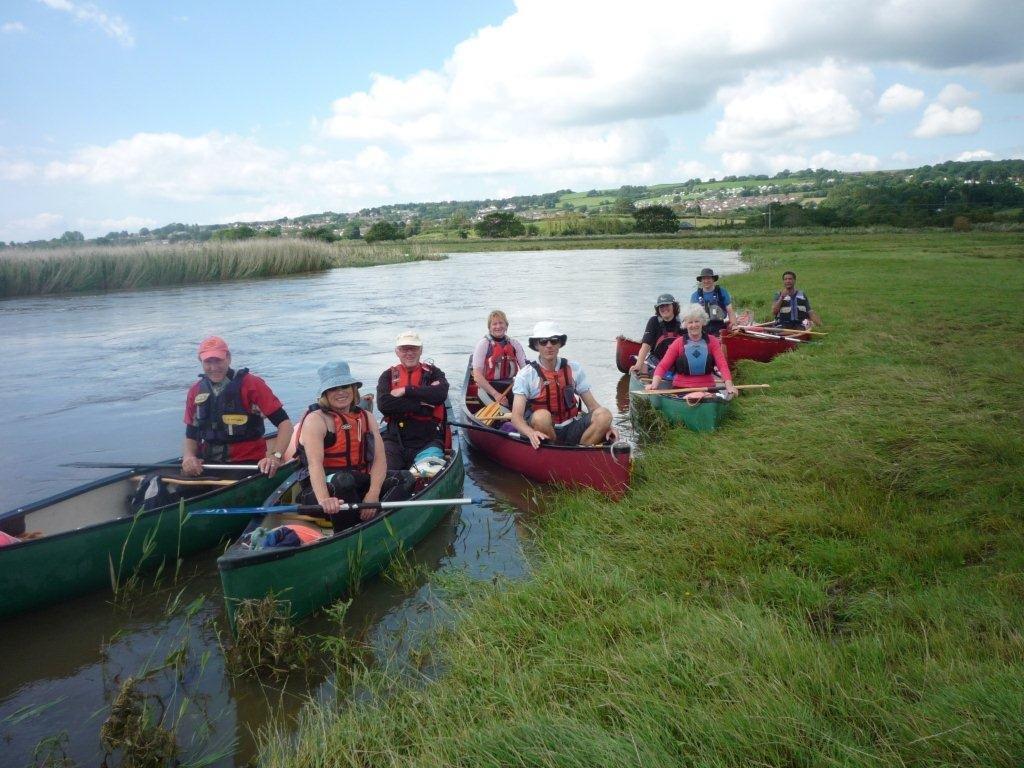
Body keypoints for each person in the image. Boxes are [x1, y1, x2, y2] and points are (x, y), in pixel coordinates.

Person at [291, 361, 412, 532]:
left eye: (345, 386)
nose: (340, 392)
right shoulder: (316, 420)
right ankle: (348, 532)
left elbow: (379, 459)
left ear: (353, 389)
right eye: (333, 388)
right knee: (343, 481)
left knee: (405, 478)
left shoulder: (366, 417)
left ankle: (373, 521)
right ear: (325, 394)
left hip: (357, 482)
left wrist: (373, 494)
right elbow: (314, 465)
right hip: (322, 491)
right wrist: (325, 499)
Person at [181, 336, 292, 477]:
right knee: (178, 485)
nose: (214, 367)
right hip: (208, 463)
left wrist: (275, 456)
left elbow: (285, 424)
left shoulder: (251, 384)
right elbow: (191, 434)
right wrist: (189, 457)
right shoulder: (195, 391)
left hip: (247, 463)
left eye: (218, 360)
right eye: (208, 362)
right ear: (200, 361)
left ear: (228, 358)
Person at [510, 321, 618, 449]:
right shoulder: (525, 375)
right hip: (545, 430)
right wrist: (530, 433)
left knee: (605, 414)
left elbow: (593, 406)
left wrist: (609, 426)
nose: (549, 345)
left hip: (572, 427)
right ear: (536, 345)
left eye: (554, 340)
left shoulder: (574, 368)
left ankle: (581, 450)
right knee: (541, 417)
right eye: (543, 341)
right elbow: (516, 418)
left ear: (559, 343)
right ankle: (554, 450)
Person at [376, 330, 450, 470]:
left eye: (414, 348)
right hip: (394, 440)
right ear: (397, 352)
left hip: (428, 440)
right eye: (404, 349)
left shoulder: (434, 373)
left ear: (421, 350)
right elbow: (384, 404)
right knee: (386, 474)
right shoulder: (387, 375)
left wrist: (406, 390)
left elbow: (440, 394)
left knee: (425, 474)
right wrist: (420, 404)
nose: (409, 353)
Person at [646, 305, 739, 397]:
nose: (694, 325)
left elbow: (722, 365)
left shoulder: (713, 341)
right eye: (690, 322)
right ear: (685, 324)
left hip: (708, 388)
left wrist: (729, 386)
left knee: (705, 396)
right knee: (697, 396)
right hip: (681, 389)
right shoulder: (678, 343)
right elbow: (663, 366)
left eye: (697, 321)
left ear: (702, 322)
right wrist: (654, 385)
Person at [471, 309, 527, 406]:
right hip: (488, 388)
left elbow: (525, 369)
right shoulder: (483, 344)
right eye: (494, 324)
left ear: (506, 325)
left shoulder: (514, 344)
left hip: (511, 386)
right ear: (489, 327)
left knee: (524, 406)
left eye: (501, 323)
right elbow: (477, 376)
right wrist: (496, 394)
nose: (498, 326)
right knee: (503, 409)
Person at [629, 293, 682, 375]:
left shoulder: (683, 321)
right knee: (643, 367)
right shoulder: (653, 321)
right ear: (658, 309)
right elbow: (646, 346)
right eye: (661, 306)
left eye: (667, 305)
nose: (664, 308)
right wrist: (638, 365)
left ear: (674, 306)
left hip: (678, 363)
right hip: (656, 362)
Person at [690, 267, 737, 336]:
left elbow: (730, 311)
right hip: (701, 328)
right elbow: (692, 315)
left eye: (708, 278)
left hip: (719, 326)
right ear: (701, 280)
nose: (706, 281)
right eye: (704, 279)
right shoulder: (695, 295)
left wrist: (734, 325)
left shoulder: (722, 292)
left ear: (713, 279)